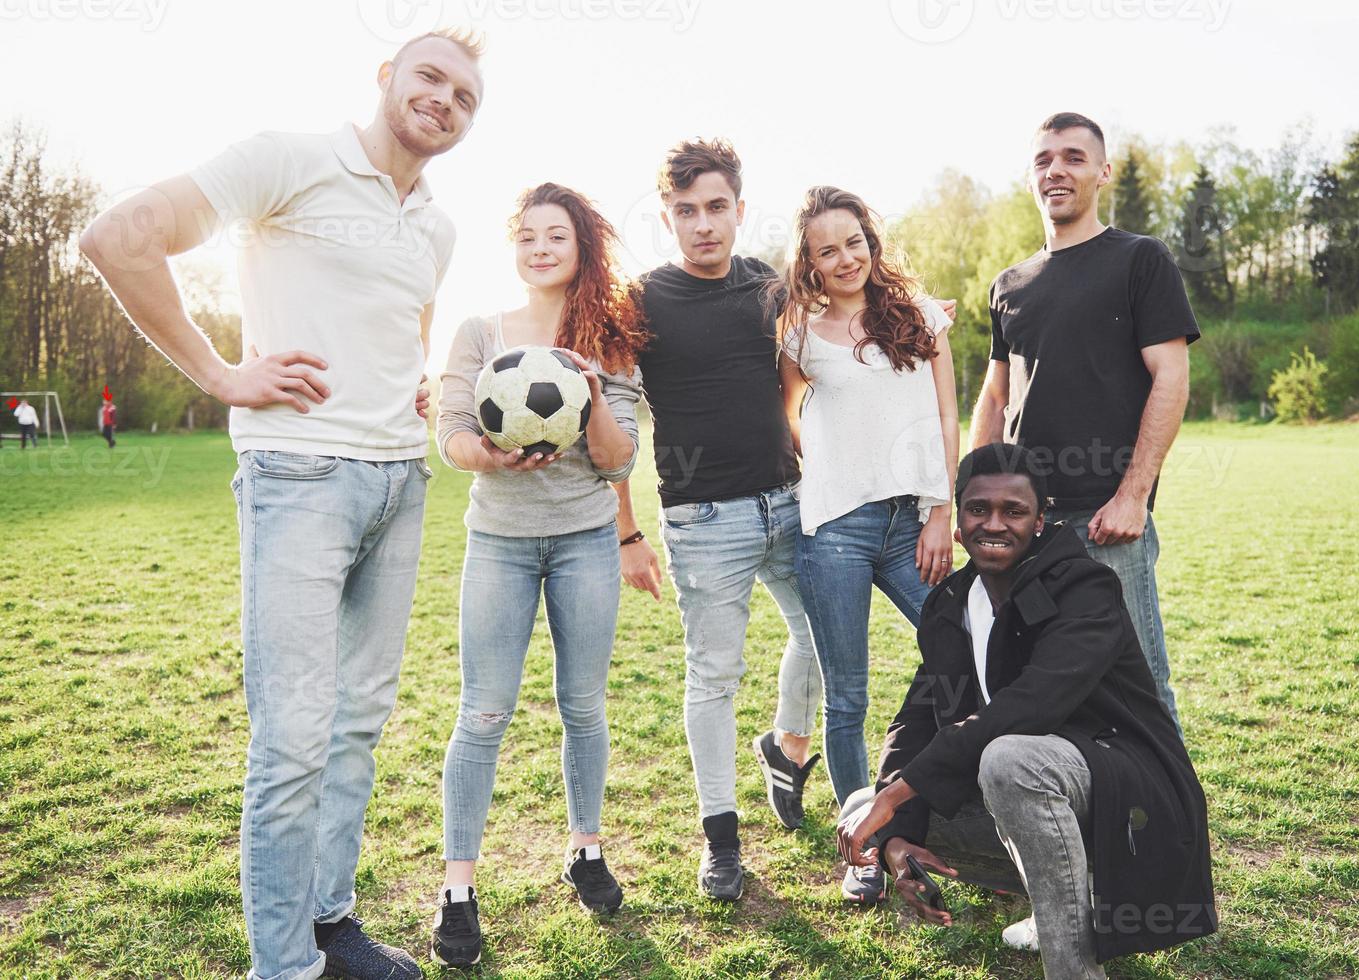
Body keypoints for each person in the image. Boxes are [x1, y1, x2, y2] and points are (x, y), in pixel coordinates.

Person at [80, 29, 482, 980]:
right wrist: (219, 370)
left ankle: (329, 927)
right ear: (385, 77)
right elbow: (117, 236)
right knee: (294, 736)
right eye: (429, 77)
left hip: (400, 484)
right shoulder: (289, 158)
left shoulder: (437, 225)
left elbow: (404, 326)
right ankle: (282, 967)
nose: (445, 101)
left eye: (467, 96)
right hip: (299, 478)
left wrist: (414, 386)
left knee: (355, 727)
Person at [837, 444, 1216, 979]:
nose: (994, 524)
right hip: (1039, 798)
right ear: (958, 521)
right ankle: (1062, 899)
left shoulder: (1085, 587)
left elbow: (1033, 704)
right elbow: (918, 717)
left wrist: (901, 792)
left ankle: (1075, 969)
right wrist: (897, 830)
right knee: (861, 803)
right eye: (978, 509)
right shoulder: (951, 603)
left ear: (1040, 521)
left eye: (1013, 511)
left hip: (1124, 797)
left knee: (1009, 760)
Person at [428, 183, 645, 966]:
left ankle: (585, 849)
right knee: (482, 713)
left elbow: (621, 460)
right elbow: (451, 432)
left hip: (586, 541)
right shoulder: (478, 332)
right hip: (500, 542)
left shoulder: (612, 338)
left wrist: (589, 396)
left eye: (557, 235)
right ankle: (458, 888)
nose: (541, 247)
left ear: (582, 246)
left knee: (583, 704)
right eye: (527, 236)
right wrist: (488, 454)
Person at [613, 138, 824, 901]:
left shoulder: (767, 284)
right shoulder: (641, 301)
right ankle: (722, 840)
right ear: (667, 216)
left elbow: (803, 382)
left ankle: (784, 744)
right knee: (713, 679)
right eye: (686, 211)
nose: (704, 225)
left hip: (790, 502)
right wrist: (628, 532)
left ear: (739, 207)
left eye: (716, 208)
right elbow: (612, 416)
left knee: (824, 641)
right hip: (702, 520)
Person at [969, 112, 1198, 734]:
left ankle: (1174, 830)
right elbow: (995, 396)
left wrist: (1132, 497)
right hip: (1025, 526)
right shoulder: (1008, 284)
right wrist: (970, 500)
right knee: (1038, 690)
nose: (1056, 170)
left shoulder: (1139, 260)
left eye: (1073, 157)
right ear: (1030, 179)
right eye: (1043, 160)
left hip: (1105, 524)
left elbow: (1171, 378)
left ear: (1103, 172)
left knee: (1140, 688)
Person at [776, 186, 959, 905]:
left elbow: (948, 414)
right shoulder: (796, 334)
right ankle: (862, 846)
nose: (844, 258)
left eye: (853, 242)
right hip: (835, 533)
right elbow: (789, 419)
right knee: (846, 694)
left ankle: (957, 809)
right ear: (811, 263)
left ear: (870, 243)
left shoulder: (919, 316)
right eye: (827, 250)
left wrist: (941, 509)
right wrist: (832, 469)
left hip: (913, 525)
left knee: (964, 648)